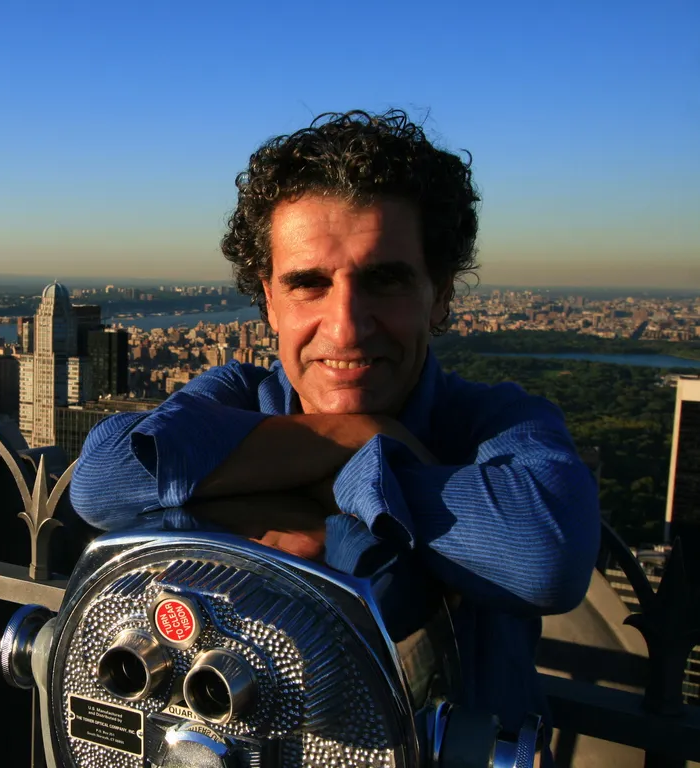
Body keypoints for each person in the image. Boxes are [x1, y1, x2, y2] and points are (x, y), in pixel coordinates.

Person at [69, 110, 600, 757]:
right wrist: (364, 434)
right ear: (269, 301)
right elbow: (101, 480)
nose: (346, 327)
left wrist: (288, 489)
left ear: (440, 296)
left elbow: (545, 556)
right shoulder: (240, 393)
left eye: (384, 280)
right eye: (308, 284)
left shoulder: (491, 423)